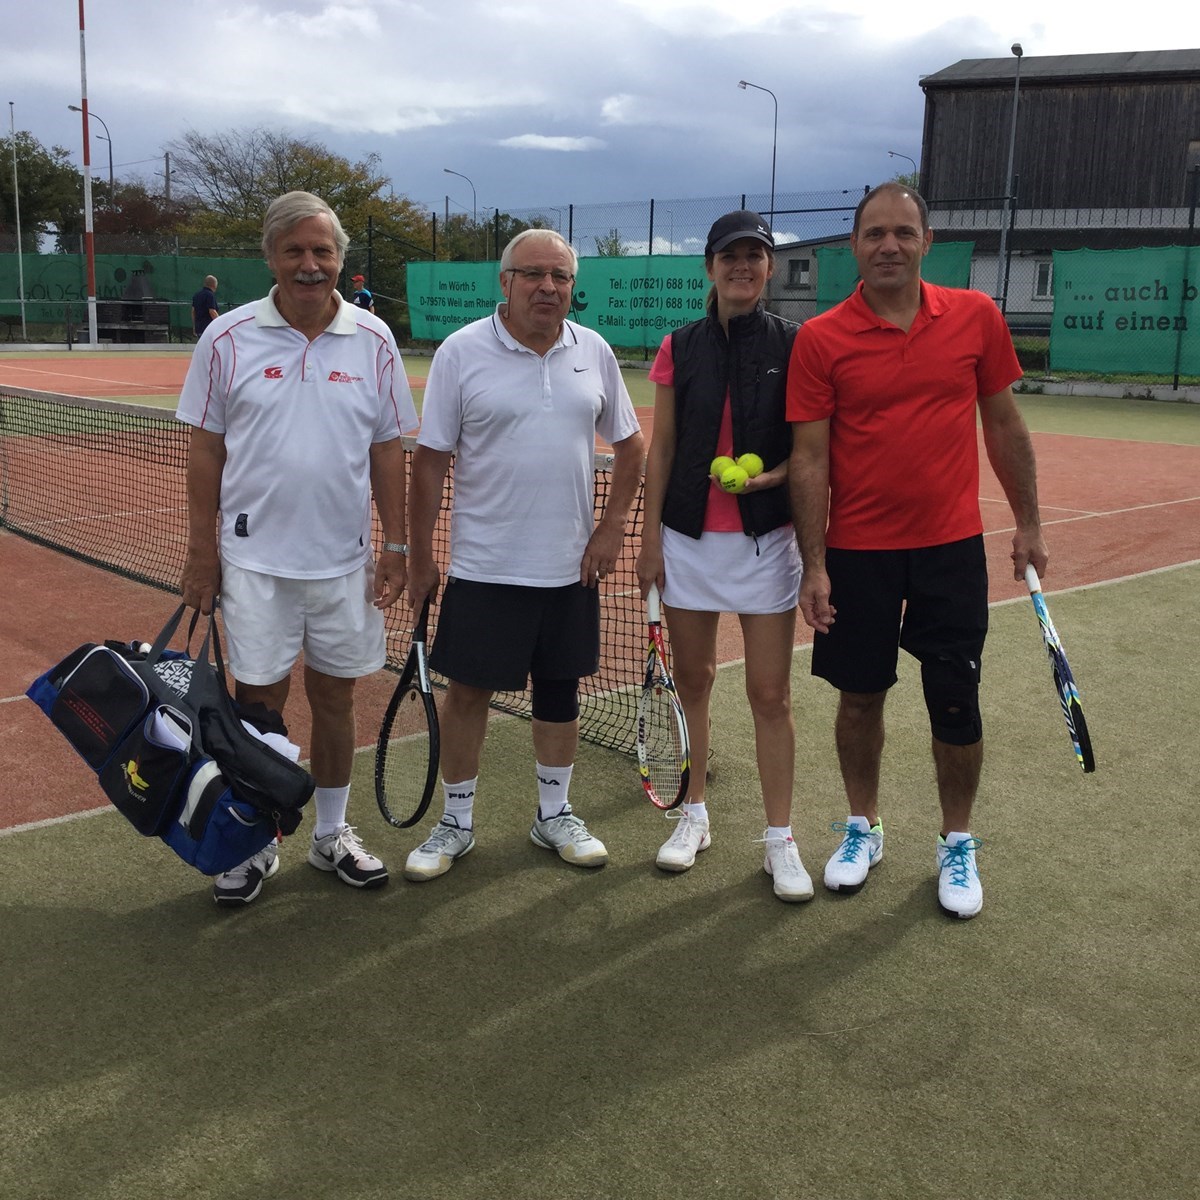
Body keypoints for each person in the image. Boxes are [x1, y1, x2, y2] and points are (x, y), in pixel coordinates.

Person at [786, 181, 1048, 919]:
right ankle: (862, 828)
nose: (889, 245)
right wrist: (814, 565)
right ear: (854, 247)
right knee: (859, 699)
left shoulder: (975, 316)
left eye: (903, 232)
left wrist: (1029, 524)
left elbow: (1004, 425)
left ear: (927, 242)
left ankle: (956, 842)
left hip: (950, 550)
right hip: (858, 554)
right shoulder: (820, 339)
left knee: (955, 699)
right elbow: (809, 458)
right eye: (875, 233)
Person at [177, 190, 418, 906]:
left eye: (323, 251)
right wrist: (201, 552)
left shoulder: (373, 338)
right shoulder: (226, 338)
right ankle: (255, 841)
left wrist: (396, 545)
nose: (310, 265)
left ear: (340, 258)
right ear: (271, 258)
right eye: (295, 251)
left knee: (336, 698)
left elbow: (387, 449)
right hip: (253, 564)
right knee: (259, 704)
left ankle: (331, 835)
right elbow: (205, 449)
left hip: (345, 564)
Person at [403, 228, 644, 882]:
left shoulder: (593, 350)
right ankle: (456, 823)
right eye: (533, 274)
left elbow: (631, 446)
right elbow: (430, 461)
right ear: (505, 282)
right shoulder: (461, 352)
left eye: (560, 276)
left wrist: (612, 528)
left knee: (560, 693)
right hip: (485, 567)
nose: (547, 287)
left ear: (572, 287)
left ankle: (554, 815)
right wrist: (420, 555)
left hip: (570, 569)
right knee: (468, 695)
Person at [635, 210, 812, 903]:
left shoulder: (795, 344)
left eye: (755, 256)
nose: (743, 266)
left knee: (771, 694)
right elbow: (664, 449)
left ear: (769, 268)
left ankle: (780, 840)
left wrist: (772, 479)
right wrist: (650, 539)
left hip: (767, 542)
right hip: (687, 542)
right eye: (730, 256)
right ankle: (695, 815)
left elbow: (812, 451)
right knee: (695, 681)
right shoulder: (679, 346)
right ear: (709, 266)